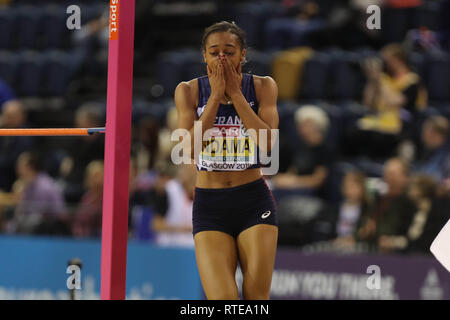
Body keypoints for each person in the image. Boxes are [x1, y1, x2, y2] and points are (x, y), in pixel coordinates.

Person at [174, 21, 279, 300]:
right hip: (210, 205)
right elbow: (190, 149)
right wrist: (216, 98)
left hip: (253, 202)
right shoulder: (188, 91)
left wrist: (235, 94)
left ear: (243, 54)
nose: (222, 58)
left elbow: (268, 144)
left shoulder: (264, 87)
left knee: (256, 298)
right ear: (204, 56)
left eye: (229, 52)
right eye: (214, 52)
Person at [357, 157, 416, 251]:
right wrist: (365, 230)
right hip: (372, 251)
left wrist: (392, 241)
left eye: (393, 174)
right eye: (387, 173)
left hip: (402, 255)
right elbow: (362, 227)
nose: (389, 177)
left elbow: (412, 236)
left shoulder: (411, 203)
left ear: (405, 177)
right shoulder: (376, 200)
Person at [272, 105, 331, 193]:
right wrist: (284, 179)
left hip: (313, 193)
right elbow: (293, 171)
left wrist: (293, 181)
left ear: (317, 126)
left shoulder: (325, 149)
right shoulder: (300, 146)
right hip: (297, 189)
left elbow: (318, 181)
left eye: (306, 124)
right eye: (300, 125)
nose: (302, 128)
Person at [0, 100, 34, 192]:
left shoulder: (26, 135)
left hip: (16, 176)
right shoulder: (3, 131)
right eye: (5, 115)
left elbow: (18, 159)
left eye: (10, 116)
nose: (6, 119)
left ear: (22, 117)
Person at [414, 116, 449, 183]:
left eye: (429, 133)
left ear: (440, 136)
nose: (424, 136)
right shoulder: (424, 151)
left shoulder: (447, 157)